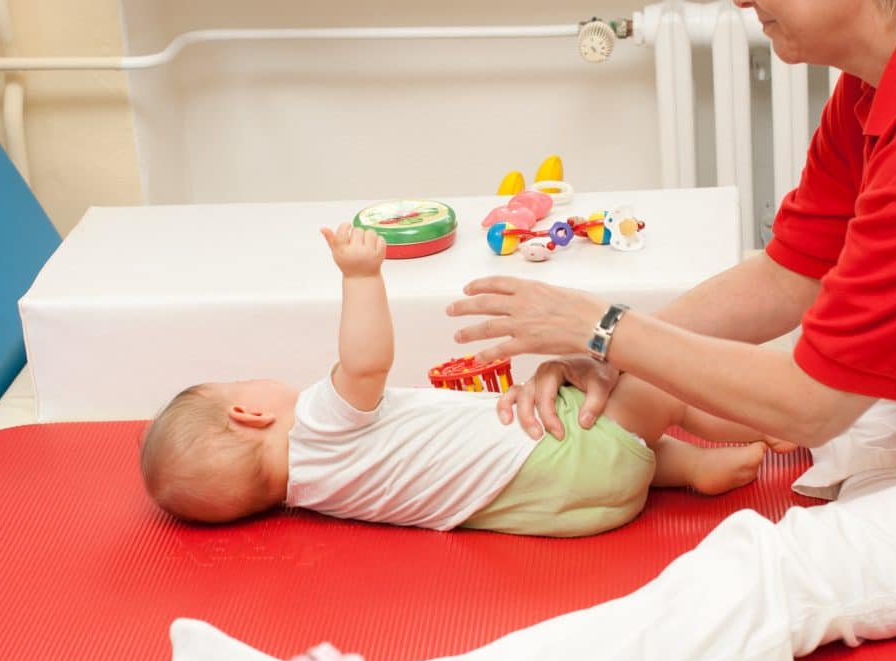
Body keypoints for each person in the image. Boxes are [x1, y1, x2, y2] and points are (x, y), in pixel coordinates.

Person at [166, 0, 896, 661]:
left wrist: (604, 329)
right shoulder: (878, 87)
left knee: (781, 570)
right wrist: (596, 349)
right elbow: (789, 275)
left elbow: (813, 404)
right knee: (778, 416)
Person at [140, 222, 789, 535]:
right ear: (249, 415)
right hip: (566, 454)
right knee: (658, 379)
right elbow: (366, 365)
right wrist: (361, 278)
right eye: (236, 385)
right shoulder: (315, 423)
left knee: (625, 432)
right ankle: (771, 415)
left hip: (562, 508)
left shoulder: (312, 489)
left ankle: (681, 469)